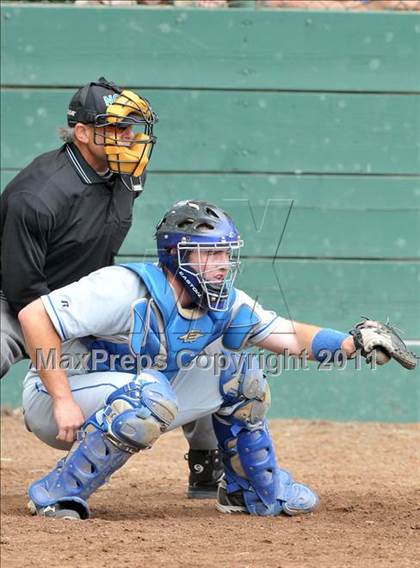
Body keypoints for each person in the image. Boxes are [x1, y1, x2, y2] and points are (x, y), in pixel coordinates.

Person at [17, 198, 392, 520]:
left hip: (135, 397)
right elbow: (34, 316)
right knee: (148, 397)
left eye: (226, 252)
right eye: (211, 252)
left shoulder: (225, 302)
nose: (223, 263)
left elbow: (290, 336)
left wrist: (353, 343)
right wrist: (63, 399)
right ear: (176, 256)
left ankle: (249, 490)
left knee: (240, 375)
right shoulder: (124, 286)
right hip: (56, 402)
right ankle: (56, 495)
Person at [0, 78, 220, 498]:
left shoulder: (126, 174)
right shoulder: (37, 195)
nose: (130, 138)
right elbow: (26, 293)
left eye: (132, 128)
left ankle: (207, 463)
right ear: (81, 133)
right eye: (116, 128)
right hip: (17, 297)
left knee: (192, 338)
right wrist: (61, 371)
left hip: (86, 294)